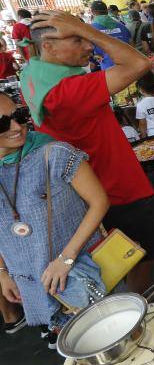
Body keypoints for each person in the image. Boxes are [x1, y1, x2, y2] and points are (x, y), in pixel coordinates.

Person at [19, 10, 154, 293]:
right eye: (77, 39)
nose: (89, 46)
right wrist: (90, 30)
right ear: (49, 46)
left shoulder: (32, 73)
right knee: (140, 256)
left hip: (82, 190)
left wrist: (77, 29)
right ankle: (134, 303)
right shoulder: (65, 92)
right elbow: (140, 62)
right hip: (118, 189)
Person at [0, 94, 108, 344]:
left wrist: (65, 259)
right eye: (3, 123)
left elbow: (99, 202)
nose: (17, 127)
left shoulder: (55, 154)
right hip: (34, 282)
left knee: (107, 337)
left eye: (19, 116)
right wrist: (3, 272)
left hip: (83, 274)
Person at [89, 1, 132, 70]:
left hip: (108, 68)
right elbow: (131, 44)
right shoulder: (122, 26)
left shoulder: (90, 29)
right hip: (128, 64)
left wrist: (94, 55)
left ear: (92, 12)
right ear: (106, 11)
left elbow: (85, 49)